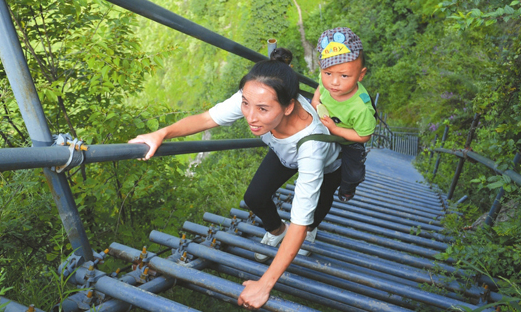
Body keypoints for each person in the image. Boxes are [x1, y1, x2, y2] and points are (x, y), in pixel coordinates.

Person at [128, 58, 341, 310]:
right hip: (283, 151)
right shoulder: (255, 93)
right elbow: (207, 119)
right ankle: (277, 232)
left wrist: (265, 284)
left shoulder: (313, 147)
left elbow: (300, 220)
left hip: (325, 167)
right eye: (245, 104)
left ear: (288, 107)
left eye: (262, 109)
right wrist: (161, 133)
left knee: (310, 218)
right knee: (255, 198)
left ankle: (307, 236)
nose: (250, 116)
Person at [311, 27, 377, 202]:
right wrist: (316, 101)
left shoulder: (360, 107)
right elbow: (320, 86)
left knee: (352, 169)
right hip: (327, 127)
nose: (333, 82)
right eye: (328, 73)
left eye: (344, 76)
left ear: (360, 74)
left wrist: (335, 128)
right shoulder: (326, 81)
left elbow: (363, 136)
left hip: (350, 138)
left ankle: (348, 187)